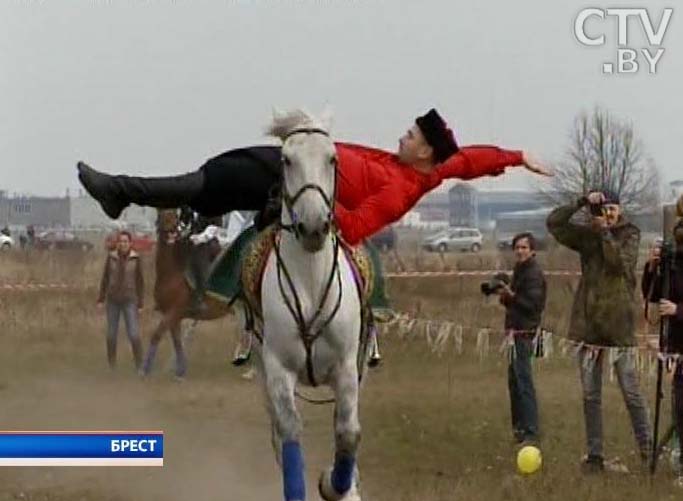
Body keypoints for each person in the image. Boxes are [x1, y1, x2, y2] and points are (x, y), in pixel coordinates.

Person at [76, 108, 552, 248]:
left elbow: (359, 225)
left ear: (425, 150)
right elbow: (471, 158)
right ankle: (136, 196)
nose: (400, 136)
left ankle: (119, 192)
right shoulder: (431, 165)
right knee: (215, 176)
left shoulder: (403, 189)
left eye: (408, 134)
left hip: (296, 187)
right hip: (298, 165)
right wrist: (517, 156)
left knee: (209, 178)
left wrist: (311, 194)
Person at [547, 190, 652, 473]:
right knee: (590, 394)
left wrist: (605, 233)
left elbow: (618, 264)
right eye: (604, 209)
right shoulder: (587, 236)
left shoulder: (630, 234)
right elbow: (554, 224)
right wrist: (580, 203)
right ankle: (595, 455)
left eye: (612, 208)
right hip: (589, 325)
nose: (608, 213)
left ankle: (647, 450)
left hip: (618, 325)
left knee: (630, 390)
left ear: (620, 210)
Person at [497, 232, 547, 446]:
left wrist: (512, 296)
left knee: (524, 382)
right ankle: (519, 429)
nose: (520, 251)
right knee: (514, 382)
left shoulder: (533, 273)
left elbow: (533, 306)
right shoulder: (519, 270)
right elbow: (516, 303)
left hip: (524, 333)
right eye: (517, 247)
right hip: (513, 331)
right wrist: (506, 298)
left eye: (524, 247)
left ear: (532, 250)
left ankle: (531, 431)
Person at [642, 229, 683, 485]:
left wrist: (679, 310)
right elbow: (653, 295)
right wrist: (653, 268)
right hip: (678, 346)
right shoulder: (674, 263)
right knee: (680, 406)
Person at [97, 230, 145, 371]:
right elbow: (105, 279)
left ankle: (139, 366)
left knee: (134, 334)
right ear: (117, 243)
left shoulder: (136, 259)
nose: (123, 244)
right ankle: (112, 366)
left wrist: (140, 304)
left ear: (130, 243)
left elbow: (140, 282)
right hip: (113, 300)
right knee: (111, 335)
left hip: (130, 300)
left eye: (125, 241)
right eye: (121, 241)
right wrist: (101, 299)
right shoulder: (111, 258)